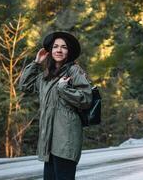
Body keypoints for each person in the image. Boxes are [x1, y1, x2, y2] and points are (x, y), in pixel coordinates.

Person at [19, 31, 93, 180]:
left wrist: (63, 88)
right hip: (49, 141)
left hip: (66, 140)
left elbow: (86, 98)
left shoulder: (74, 71)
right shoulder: (47, 76)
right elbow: (25, 85)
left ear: (69, 51)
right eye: (55, 47)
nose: (59, 50)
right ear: (50, 51)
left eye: (64, 47)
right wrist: (36, 63)